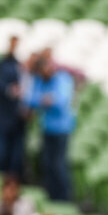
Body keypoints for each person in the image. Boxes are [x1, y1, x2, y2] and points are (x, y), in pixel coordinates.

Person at [27, 50, 75, 201]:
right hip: (47, 128)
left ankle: (64, 198)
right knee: (47, 164)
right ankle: (50, 196)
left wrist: (47, 100)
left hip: (62, 129)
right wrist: (46, 100)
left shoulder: (62, 79)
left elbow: (61, 101)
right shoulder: (41, 81)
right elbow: (31, 99)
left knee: (59, 165)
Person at [0, 36, 26, 179]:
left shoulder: (19, 66)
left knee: (14, 157)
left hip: (17, 119)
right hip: (1, 117)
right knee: (0, 153)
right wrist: (9, 90)